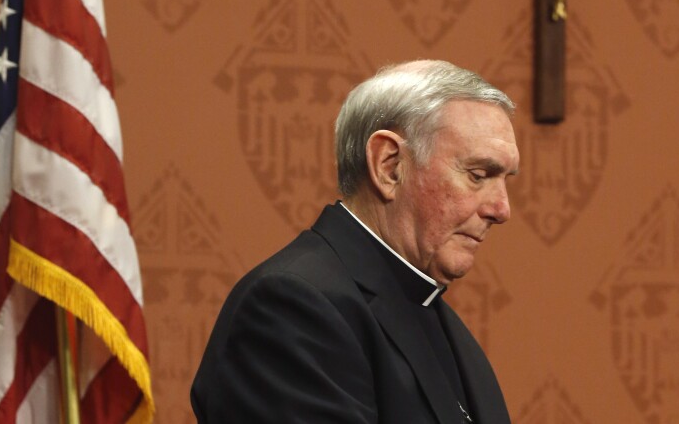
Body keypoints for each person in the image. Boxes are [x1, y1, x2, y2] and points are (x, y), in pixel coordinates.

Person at [191, 59, 520, 423]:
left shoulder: (440, 319)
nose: (501, 209)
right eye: (478, 175)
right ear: (389, 165)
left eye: (506, 180)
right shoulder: (291, 309)